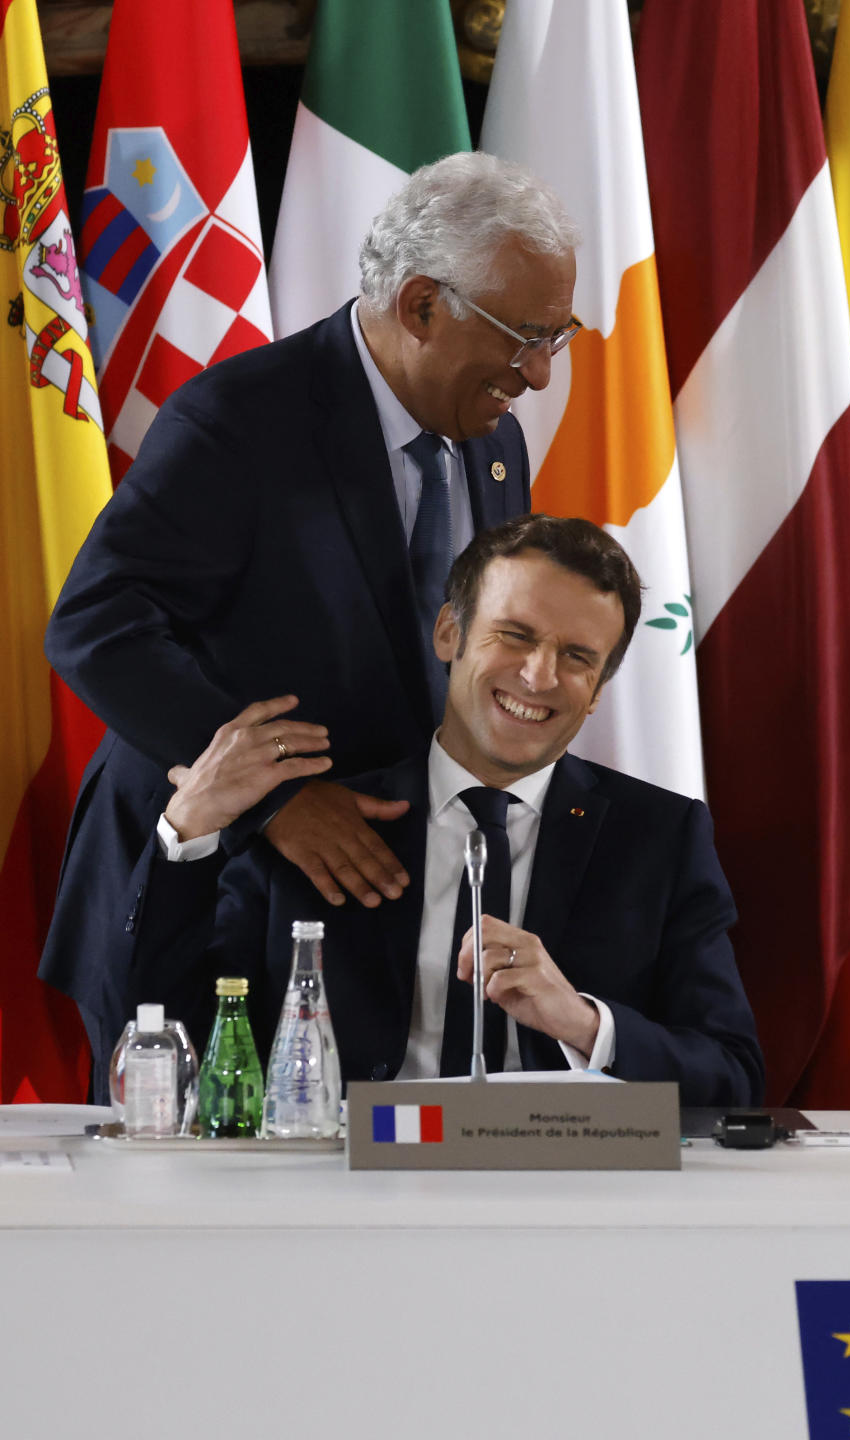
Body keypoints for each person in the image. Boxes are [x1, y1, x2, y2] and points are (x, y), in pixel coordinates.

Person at [40, 154, 580, 1095]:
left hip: (362, 915)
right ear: (420, 306)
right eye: (525, 337)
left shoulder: (493, 442)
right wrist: (274, 797)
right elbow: (97, 625)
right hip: (199, 894)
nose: (536, 374)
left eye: (557, 337)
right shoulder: (240, 421)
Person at [114, 516, 764, 1106]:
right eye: (515, 635)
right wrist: (187, 831)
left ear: (596, 693)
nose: (539, 676)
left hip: (560, 1201)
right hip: (342, 1195)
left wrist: (584, 1023)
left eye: (577, 658)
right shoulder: (315, 820)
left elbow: (732, 1074)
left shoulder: (661, 837)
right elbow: (170, 1032)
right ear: (450, 632)